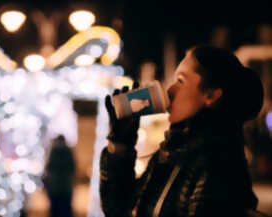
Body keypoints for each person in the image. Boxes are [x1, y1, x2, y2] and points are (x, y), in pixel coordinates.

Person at [99, 45, 266, 217]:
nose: (170, 91)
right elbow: (117, 209)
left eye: (180, 81)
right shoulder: (171, 154)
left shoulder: (217, 164)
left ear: (211, 96)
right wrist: (120, 146)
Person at [43, 135, 75, 217]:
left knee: (55, 209)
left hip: (55, 186)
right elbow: (73, 167)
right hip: (66, 186)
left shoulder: (53, 150)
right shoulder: (68, 150)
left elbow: (49, 167)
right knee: (66, 209)